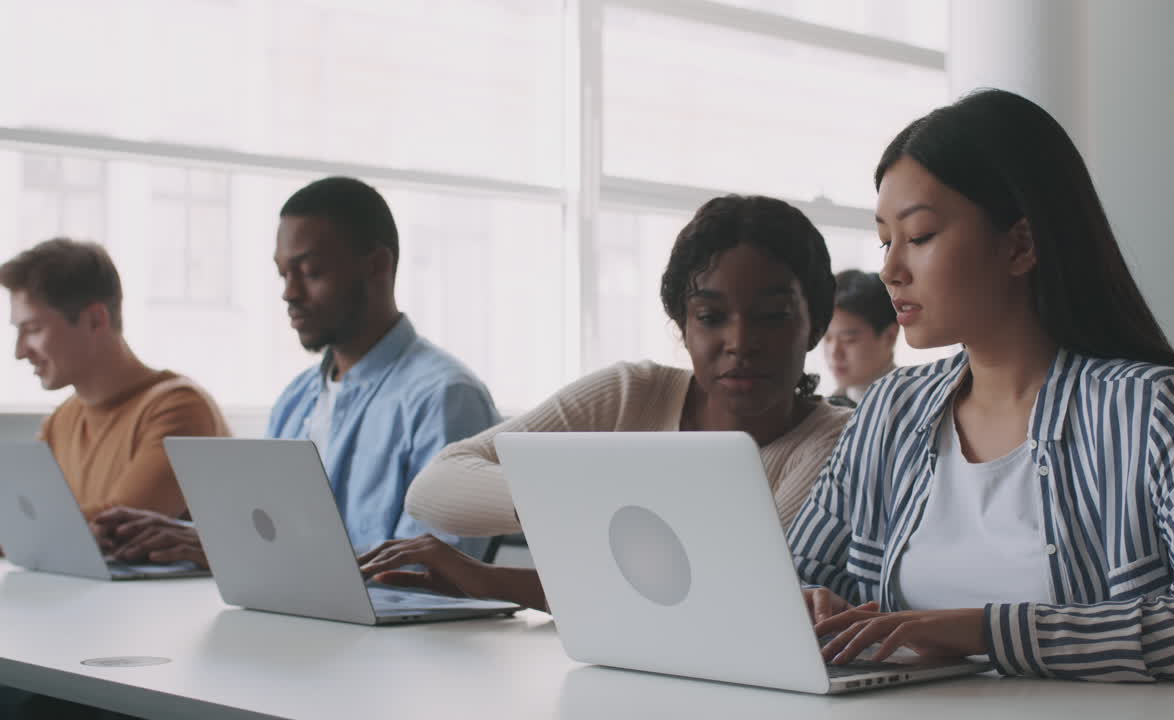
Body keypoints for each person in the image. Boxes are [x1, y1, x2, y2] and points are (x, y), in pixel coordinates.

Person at [788, 89, 1174, 683]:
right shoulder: (890, 409)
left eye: (918, 237)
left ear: (1020, 243)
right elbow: (796, 571)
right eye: (884, 241)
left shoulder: (1144, 405)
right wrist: (805, 599)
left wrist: (986, 630)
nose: (891, 269)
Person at [357, 194, 854, 611]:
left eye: (771, 315)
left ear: (814, 324)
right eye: (710, 316)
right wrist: (602, 502)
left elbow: (708, 596)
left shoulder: (838, 441)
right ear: (682, 325)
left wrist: (487, 580)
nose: (740, 341)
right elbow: (436, 487)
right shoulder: (630, 394)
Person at [91, 176, 502, 566]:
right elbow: (269, 537)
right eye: (284, 274)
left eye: (310, 272)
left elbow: (436, 573)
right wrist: (195, 537)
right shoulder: (296, 398)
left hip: (398, 641)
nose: (289, 292)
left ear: (377, 266)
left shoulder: (445, 398)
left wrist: (227, 548)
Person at [1, 238, 229, 518]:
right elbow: (20, 512)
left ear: (96, 319)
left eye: (33, 329)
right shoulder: (61, 422)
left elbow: (118, 527)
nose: (19, 352)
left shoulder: (179, 408)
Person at [823, 269, 897, 407]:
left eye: (848, 340)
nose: (834, 353)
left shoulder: (913, 407)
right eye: (827, 338)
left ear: (889, 337)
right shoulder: (825, 409)